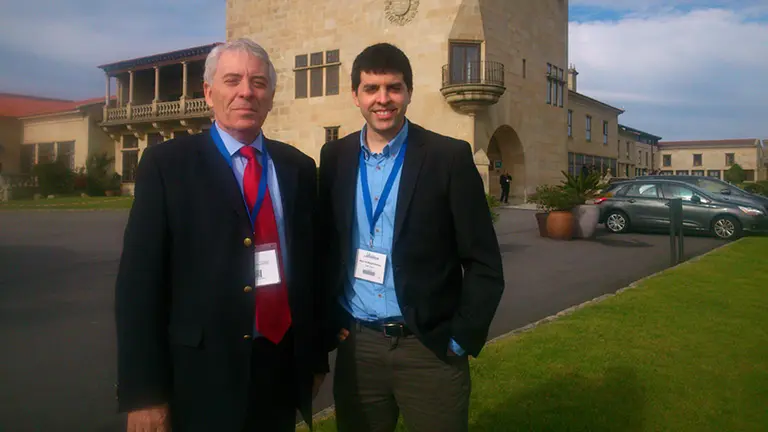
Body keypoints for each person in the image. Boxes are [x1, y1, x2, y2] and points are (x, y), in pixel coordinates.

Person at [114, 38, 327, 432]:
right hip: (200, 375)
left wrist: (312, 358)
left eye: (259, 82)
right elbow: (139, 285)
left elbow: (309, 269)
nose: (247, 91)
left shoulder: (297, 166)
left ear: (271, 94)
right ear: (209, 92)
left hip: (278, 368)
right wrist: (144, 392)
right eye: (233, 80)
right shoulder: (169, 165)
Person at [317, 43, 505, 432]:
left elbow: (483, 261)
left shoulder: (448, 157)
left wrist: (461, 337)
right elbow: (325, 245)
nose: (382, 100)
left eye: (393, 88)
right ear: (355, 95)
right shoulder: (334, 156)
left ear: (408, 92)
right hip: (360, 346)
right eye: (371, 89)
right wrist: (331, 314)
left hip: (430, 347)